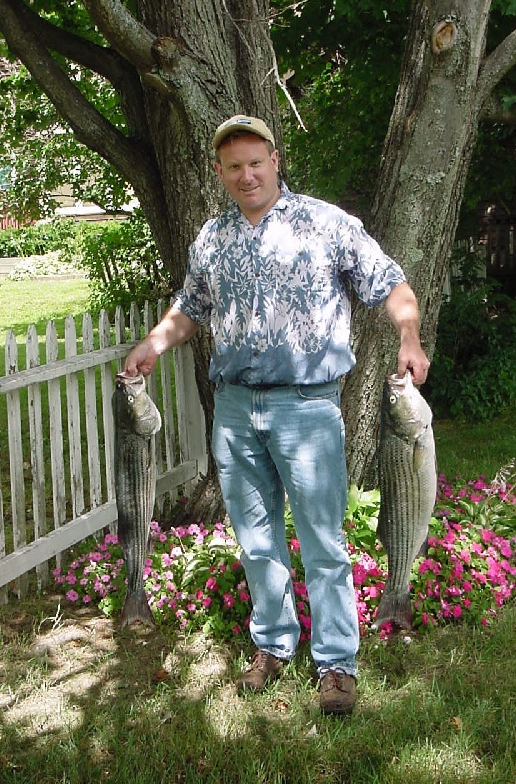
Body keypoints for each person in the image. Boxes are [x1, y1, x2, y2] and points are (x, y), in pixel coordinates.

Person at [124, 114, 430, 715]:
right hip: (235, 410)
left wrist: (410, 338)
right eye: (234, 166)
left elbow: (390, 283)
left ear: (275, 161)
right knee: (256, 540)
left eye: (256, 162)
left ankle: (337, 663)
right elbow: (190, 309)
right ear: (219, 172)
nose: (247, 174)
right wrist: (154, 343)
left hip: (308, 407)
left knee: (323, 540)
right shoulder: (212, 239)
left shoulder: (326, 224)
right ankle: (273, 647)